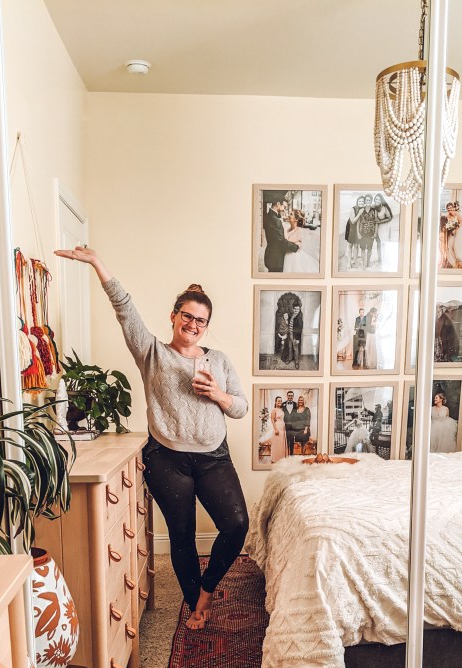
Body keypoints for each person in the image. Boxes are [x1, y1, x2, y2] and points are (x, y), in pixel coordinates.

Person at [53, 244, 249, 631]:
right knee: (182, 534)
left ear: (207, 325)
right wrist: (96, 263)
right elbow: (125, 309)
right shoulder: (151, 352)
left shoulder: (219, 360)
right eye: (187, 316)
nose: (193, 324)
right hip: (167, 458)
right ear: (174, 316)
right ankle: (195, 604)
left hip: (213, 456)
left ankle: (207, 589)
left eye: (201, 320)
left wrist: (218, 394)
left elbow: (240, 408)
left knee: (236, 524)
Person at [263, 198, 298, 272]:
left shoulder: (271, 217)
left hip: (274, 257)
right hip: (275, 259)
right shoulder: (274, 219)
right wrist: (295, 247)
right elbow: (280, 241)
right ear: (278, 204)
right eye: (284, 207)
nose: (284, 209)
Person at [283, 210, 318, 275]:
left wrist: (284, 228)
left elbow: (287, 241)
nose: (288, 215)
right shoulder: (288, 229)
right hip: (287, 255)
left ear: (296, 219)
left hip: (294, 257)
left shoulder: (299, 230)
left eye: (291, 214)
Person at [439, 200, 462, 269]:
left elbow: (461, 222)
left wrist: (455, 229)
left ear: (453, 208)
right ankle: (453, 261)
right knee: (449, 245)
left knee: (456, 246)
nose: (449, 209)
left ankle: (458, 261)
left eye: (450, 208)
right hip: (452, 232)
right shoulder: (448, 216)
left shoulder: (457, 214)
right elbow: (448, 225)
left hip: (458, 231)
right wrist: (451, 229)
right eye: (448, 209)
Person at [357, 194, 378, 269]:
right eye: (366, 200)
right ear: (365, 201)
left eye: (369, 200)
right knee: (362, 249)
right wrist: (358, 233)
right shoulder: (361, 210)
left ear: (371, 201)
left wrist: (375, 233)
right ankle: (364, 264)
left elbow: (376, 222)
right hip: (362, 232)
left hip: (371, 232)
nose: (368, 201)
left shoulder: (374, 211)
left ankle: (368, 261)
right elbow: (358, 222)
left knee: (369, 248)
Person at [344, 195, 365, 269]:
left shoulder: (363, 209)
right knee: (350, 245)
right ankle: (348, 263)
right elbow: (352, 221)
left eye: (362, 201)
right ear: (357, 202)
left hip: (358, 228)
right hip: (351, 228)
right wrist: (359, 213)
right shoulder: (353, 209)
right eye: (359, 201)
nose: (361, 202)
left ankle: (354, 262)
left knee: (356, 245)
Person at [372, 193, 393, 266]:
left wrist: (380, 221)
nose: (377, 200)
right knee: (378, 243)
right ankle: (380, 259)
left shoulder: (384, 207)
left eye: (379, 199)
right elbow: (375, 219)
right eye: (376, 199)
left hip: (385, 226)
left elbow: (390, 218)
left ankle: (386, 259)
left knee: (384, 243)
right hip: (377, 226)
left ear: (381, 201)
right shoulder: (374, 207)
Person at [269, 395, 288, 463]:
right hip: (277, 427)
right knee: (277, 443)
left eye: (281, 401)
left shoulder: (282, 409)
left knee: (281, 444)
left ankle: (281, 458)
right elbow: (272, 420)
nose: (280, 402)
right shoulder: (274, 410)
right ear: (276, 402)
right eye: (278, 401)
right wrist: (276, 429)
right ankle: (276, 458)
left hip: (283, 427)